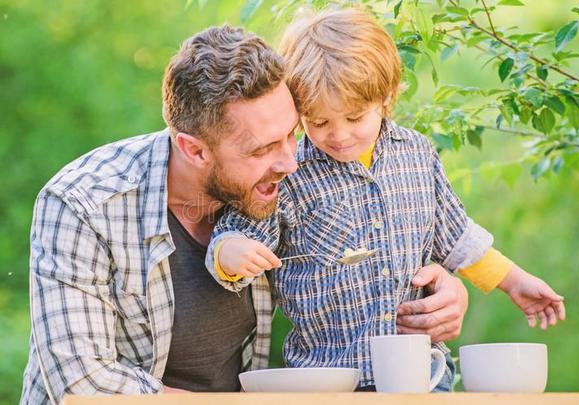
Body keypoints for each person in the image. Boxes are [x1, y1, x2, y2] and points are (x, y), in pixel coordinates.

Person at [20, 24, 470, 405]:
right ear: (193, 149)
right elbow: (82, 383)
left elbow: (366, 256)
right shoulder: (85, 203)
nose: (290, 162)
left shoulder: (284, 186)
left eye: (292, 135)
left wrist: (442, 292)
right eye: (262, 149)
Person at [207, 8, 566, 391]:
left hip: (421, 372)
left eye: (355, 117)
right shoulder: (292, 171)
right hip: (327, 377)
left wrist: (514, 281)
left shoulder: (417, 154)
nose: (340, 136)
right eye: (320, 122)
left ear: (387, 98)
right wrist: (229, 251)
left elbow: (457, 236)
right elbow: (241, 229)